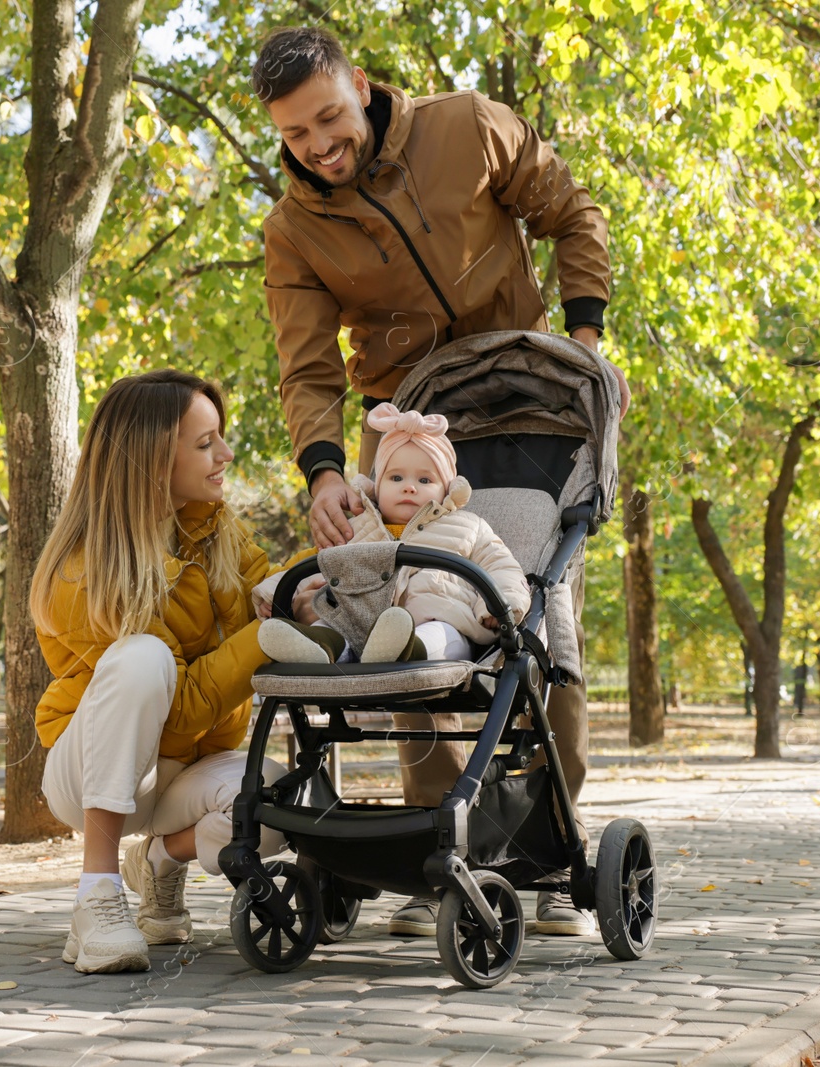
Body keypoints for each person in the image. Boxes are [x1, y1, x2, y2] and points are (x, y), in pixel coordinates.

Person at [253, 26, 628, 939]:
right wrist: (327, 470)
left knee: (539, 622)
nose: (318, 146)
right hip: (407, 432)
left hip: (535, 414)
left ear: (362, 89)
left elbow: (570, 211)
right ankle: (438, 857)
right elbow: (307, 370)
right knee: (409, 617)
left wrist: (584, 340)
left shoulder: (469, 127)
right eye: (296, 135)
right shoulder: (295, 229)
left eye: (329, 118)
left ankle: (544, 852)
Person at [31, 369, 290, 974]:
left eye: (219, 438)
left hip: (182, 773)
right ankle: (97, 896)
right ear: (150, 462)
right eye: (205, 444)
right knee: (142, 658)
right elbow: (176, 713)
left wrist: (319, 572)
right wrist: (268, 636)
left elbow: (269, 582)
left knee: (283, 801)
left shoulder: (211, 523)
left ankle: (158, 862)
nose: (225, 455)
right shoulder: (84, 571)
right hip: (93, 769)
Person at [252, 404, 531, 666]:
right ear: (377, 486)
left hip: (440, 620)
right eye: (396, 478)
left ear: (447, 489)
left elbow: (501, 566)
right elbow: (319, 569)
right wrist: (276, 594)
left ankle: (406, 651)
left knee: (443, 634)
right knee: (329, 623)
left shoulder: (468, 526)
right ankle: (317, 649)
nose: (409, 487)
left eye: (424, 480)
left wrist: (499, 606)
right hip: (359, 625)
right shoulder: (359, 530)